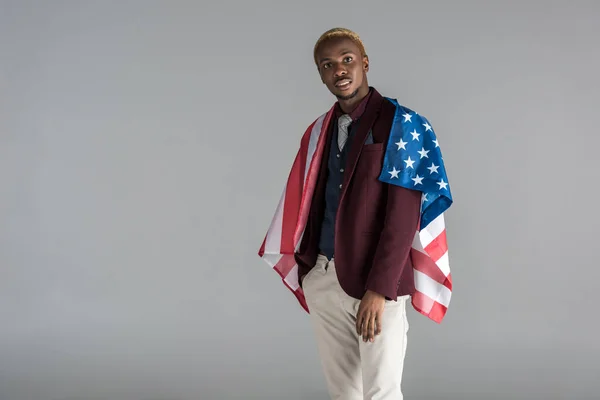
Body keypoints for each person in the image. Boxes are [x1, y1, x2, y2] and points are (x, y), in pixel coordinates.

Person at [258, 27, 453, 400]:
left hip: (375, 284)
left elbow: (401, 217)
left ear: (364, 63)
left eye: (347, 59)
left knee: (380, 392)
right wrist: (309, 271)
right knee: (343, 394)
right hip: (323, 277)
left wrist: (379, 290)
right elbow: (310, 202)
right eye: (328, 65)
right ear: (320, 74)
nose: (339, 70)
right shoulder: (319, 130)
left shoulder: (402, 124)